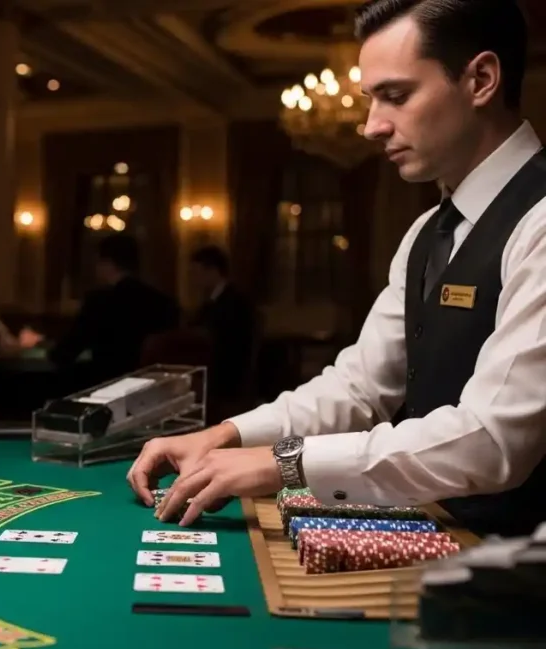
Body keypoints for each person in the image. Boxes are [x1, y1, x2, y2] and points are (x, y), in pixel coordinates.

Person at [129, 0, 546, 537]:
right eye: (371, 101)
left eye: (395, 96)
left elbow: (494, 440)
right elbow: (359, 388)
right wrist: (228, 434)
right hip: (442, 541)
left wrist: (282, 462)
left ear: (481, 80)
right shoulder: (426, 231)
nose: (371, 127)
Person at [50, 233, 180, 383]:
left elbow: (66, 351)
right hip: (151, 389)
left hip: (105, 386)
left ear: (107, 263)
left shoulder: (99, 301)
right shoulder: (164, 302)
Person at [188, 245, 256, 400]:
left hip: (227, 378)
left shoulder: (234, 302)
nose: (193, 280)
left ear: (212, 271)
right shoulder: (211, 302)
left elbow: (229, 345)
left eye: (197, 273)